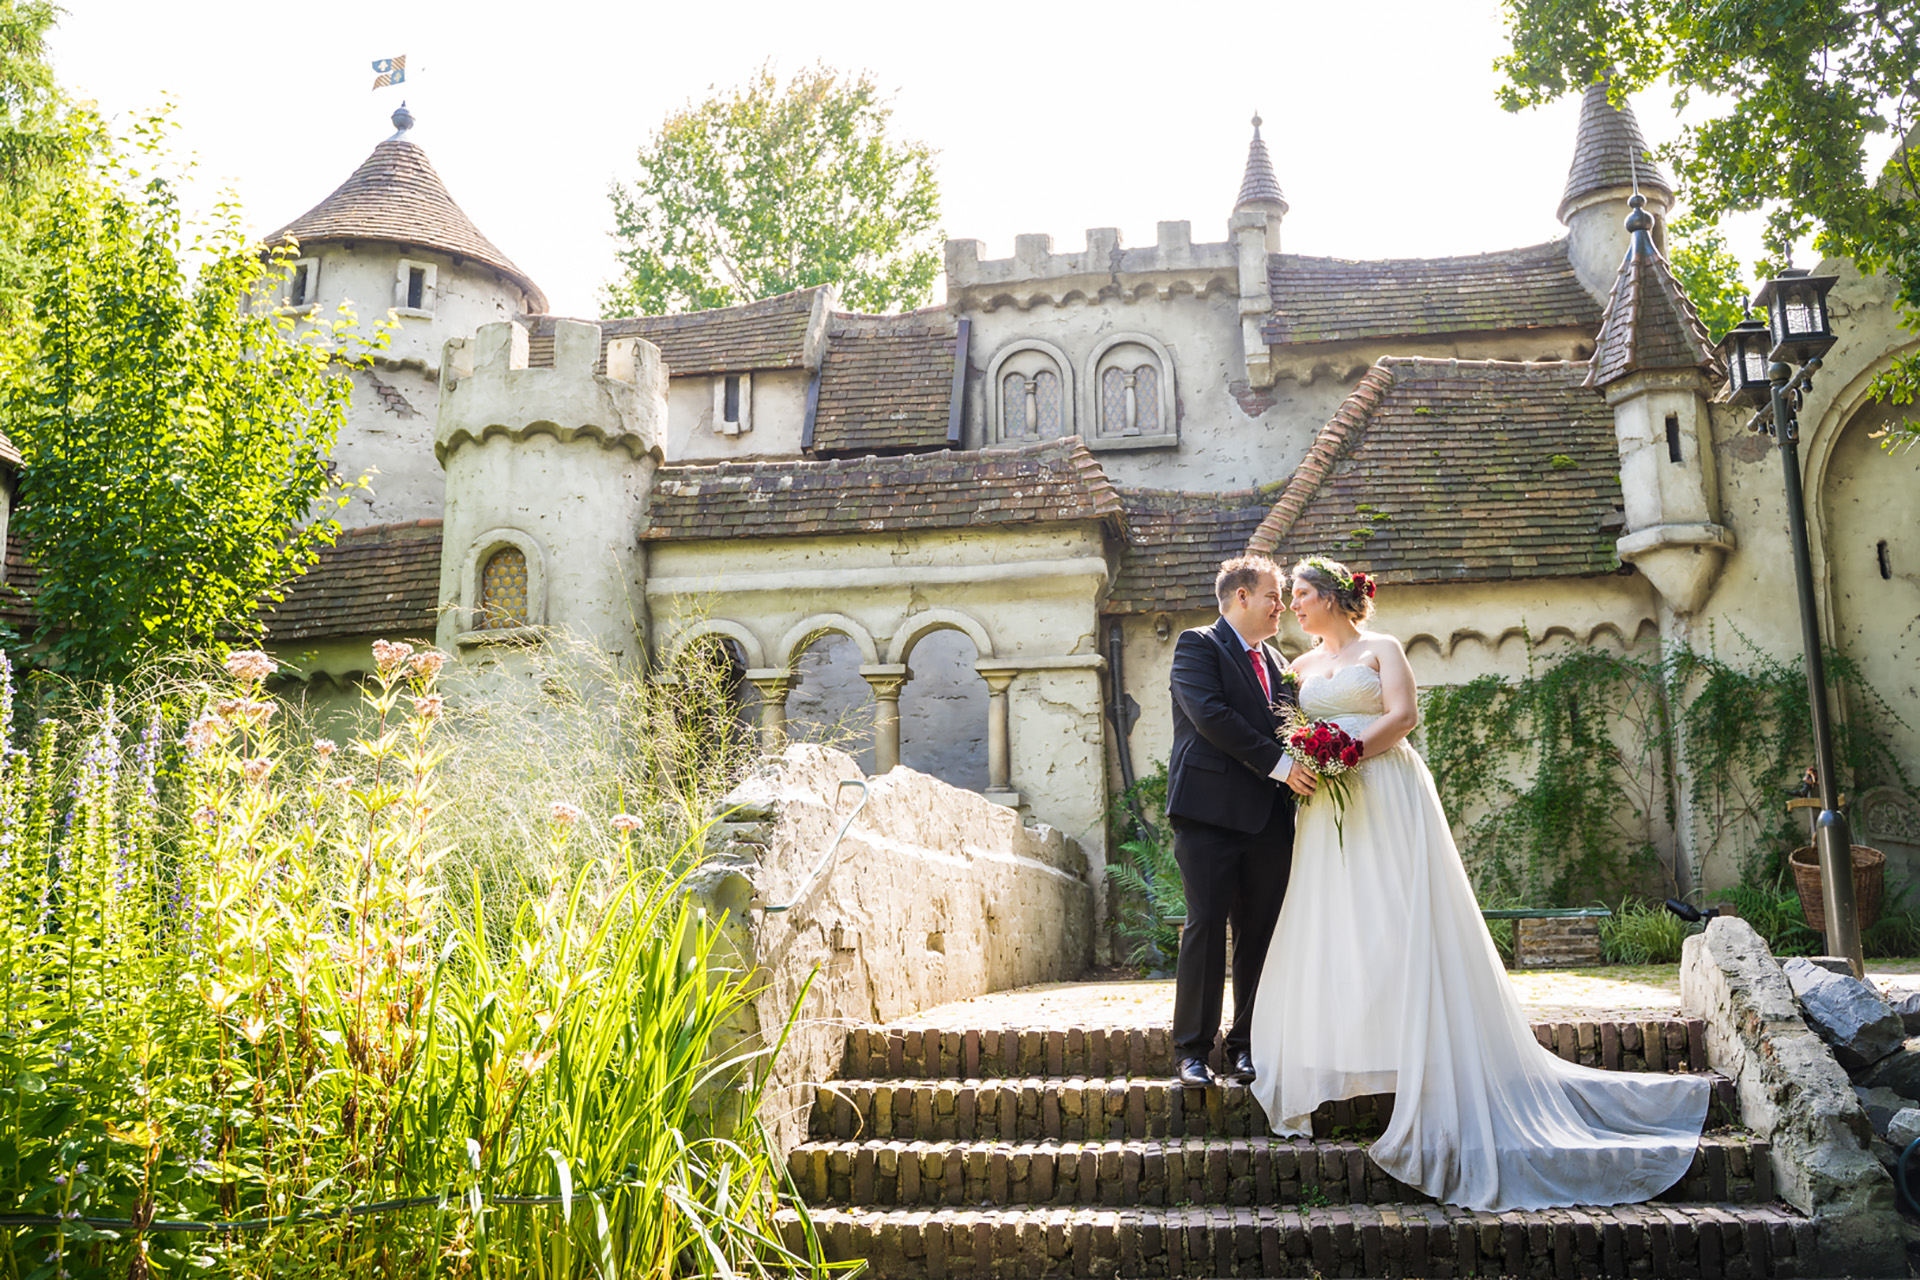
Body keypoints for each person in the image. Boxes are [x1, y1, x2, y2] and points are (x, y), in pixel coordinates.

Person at [1245, 555, 1709, 1210]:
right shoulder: (1295, 670)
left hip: (1385, 789)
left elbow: (1403, 717)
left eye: (1300, 594)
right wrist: (1310, 755)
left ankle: (1428, 1053)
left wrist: (1350, 751)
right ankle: (1352, 1051)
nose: (1293, 604)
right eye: (1290, 595)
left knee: (1399, 917)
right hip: (1327, 808)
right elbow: (1289, 730)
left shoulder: (1383, 649)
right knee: (1339, 924)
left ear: (1331, 597)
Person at [1164, 555, 1310, 1089]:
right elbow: (1211, 716)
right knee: (1205, 924)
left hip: (1270, 816)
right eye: (1274, 595)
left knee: (1260, 933)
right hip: (1208, 811)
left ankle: (1247, 1046)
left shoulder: (1280, 663)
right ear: (1242, 596)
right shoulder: (1196, 645)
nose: (1283, 606)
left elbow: (1291, 729)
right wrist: (1283, 766)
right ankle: (1192, 1052)